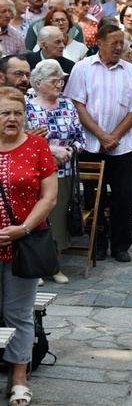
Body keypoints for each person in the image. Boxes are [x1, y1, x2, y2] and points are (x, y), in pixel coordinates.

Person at [64, 25, 132, 263]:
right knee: (94, 196)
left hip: (122, 146)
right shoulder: (82, 68)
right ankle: (98, 241)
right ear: (99, 43)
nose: (119, 47)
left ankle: (120, 245)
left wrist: (114, 137)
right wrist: (101, 136)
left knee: (123, 194)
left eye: (121, 43)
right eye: (114, 43)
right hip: (91, 144)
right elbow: (77, 105)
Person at [0, 86, 57, 406]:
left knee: (18, 314)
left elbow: (49, 196)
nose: (12, 118)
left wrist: (23, 228)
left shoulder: (37, 146)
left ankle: (18, 375)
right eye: (5, 113)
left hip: (24, 245)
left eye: (17, 113)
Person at [25, 59, 85, 285]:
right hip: (34, 174)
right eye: (54, 80)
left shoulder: (68, 106)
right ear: (38, 83)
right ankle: (36, 268)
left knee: (59, 221)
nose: (60, 84)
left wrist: (69, 150)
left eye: (62, 80)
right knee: (37, 220)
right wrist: (48, 149)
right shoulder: (27, 106)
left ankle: (54, 267)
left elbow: (82, 139)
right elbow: (19, 140)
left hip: (64, 173)